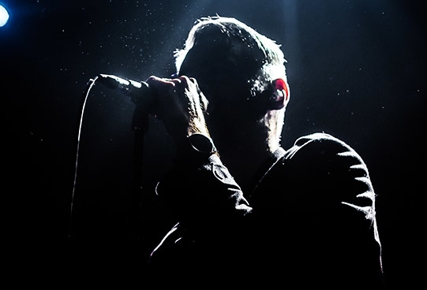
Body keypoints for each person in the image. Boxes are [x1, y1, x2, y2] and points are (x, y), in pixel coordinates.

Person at [145, 16, 383, 287]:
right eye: (188, 80)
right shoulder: (175, 243)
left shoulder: (326, 162)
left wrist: (194, 140)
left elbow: (271, 270)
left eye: (219, 71)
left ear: (277, 92)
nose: (195, 92)